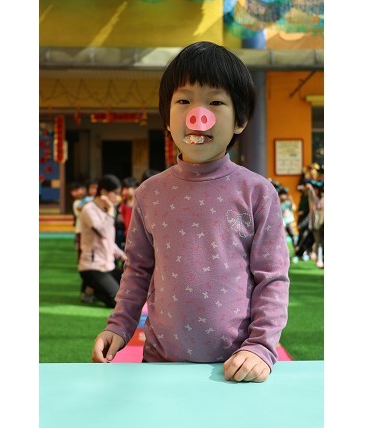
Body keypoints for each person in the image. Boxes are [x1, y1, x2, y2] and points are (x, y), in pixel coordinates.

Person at [91, 41, 290, 383]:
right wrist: (119, 326)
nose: (199, 116)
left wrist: (260, 346)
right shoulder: (149, 194)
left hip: (236, 366)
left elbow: (272, 278)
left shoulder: (257, 192)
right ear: (167, 119)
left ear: (240, 119)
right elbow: (137, 269)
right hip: (161, 362)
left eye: (215, 102)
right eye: (184, 101)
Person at [78, 175, 128, 308]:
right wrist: (111, 211)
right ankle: (92, 289)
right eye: (115, 193)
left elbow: (110, 242)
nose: (118, 197)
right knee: (118, 302)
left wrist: (123, 256)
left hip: (108, 267)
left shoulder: (107, 210)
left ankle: (92, 288)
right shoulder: (89, 209)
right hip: (92, 267)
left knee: (133, 288)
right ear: (104, 192)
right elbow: (103, 233)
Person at [115, 177, 139, 250]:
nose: (124, 191)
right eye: (124, 188)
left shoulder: (140, 203)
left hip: (136, 234)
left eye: (127, 188)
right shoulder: (121, 204)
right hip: (125, 234)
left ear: (135, 188)